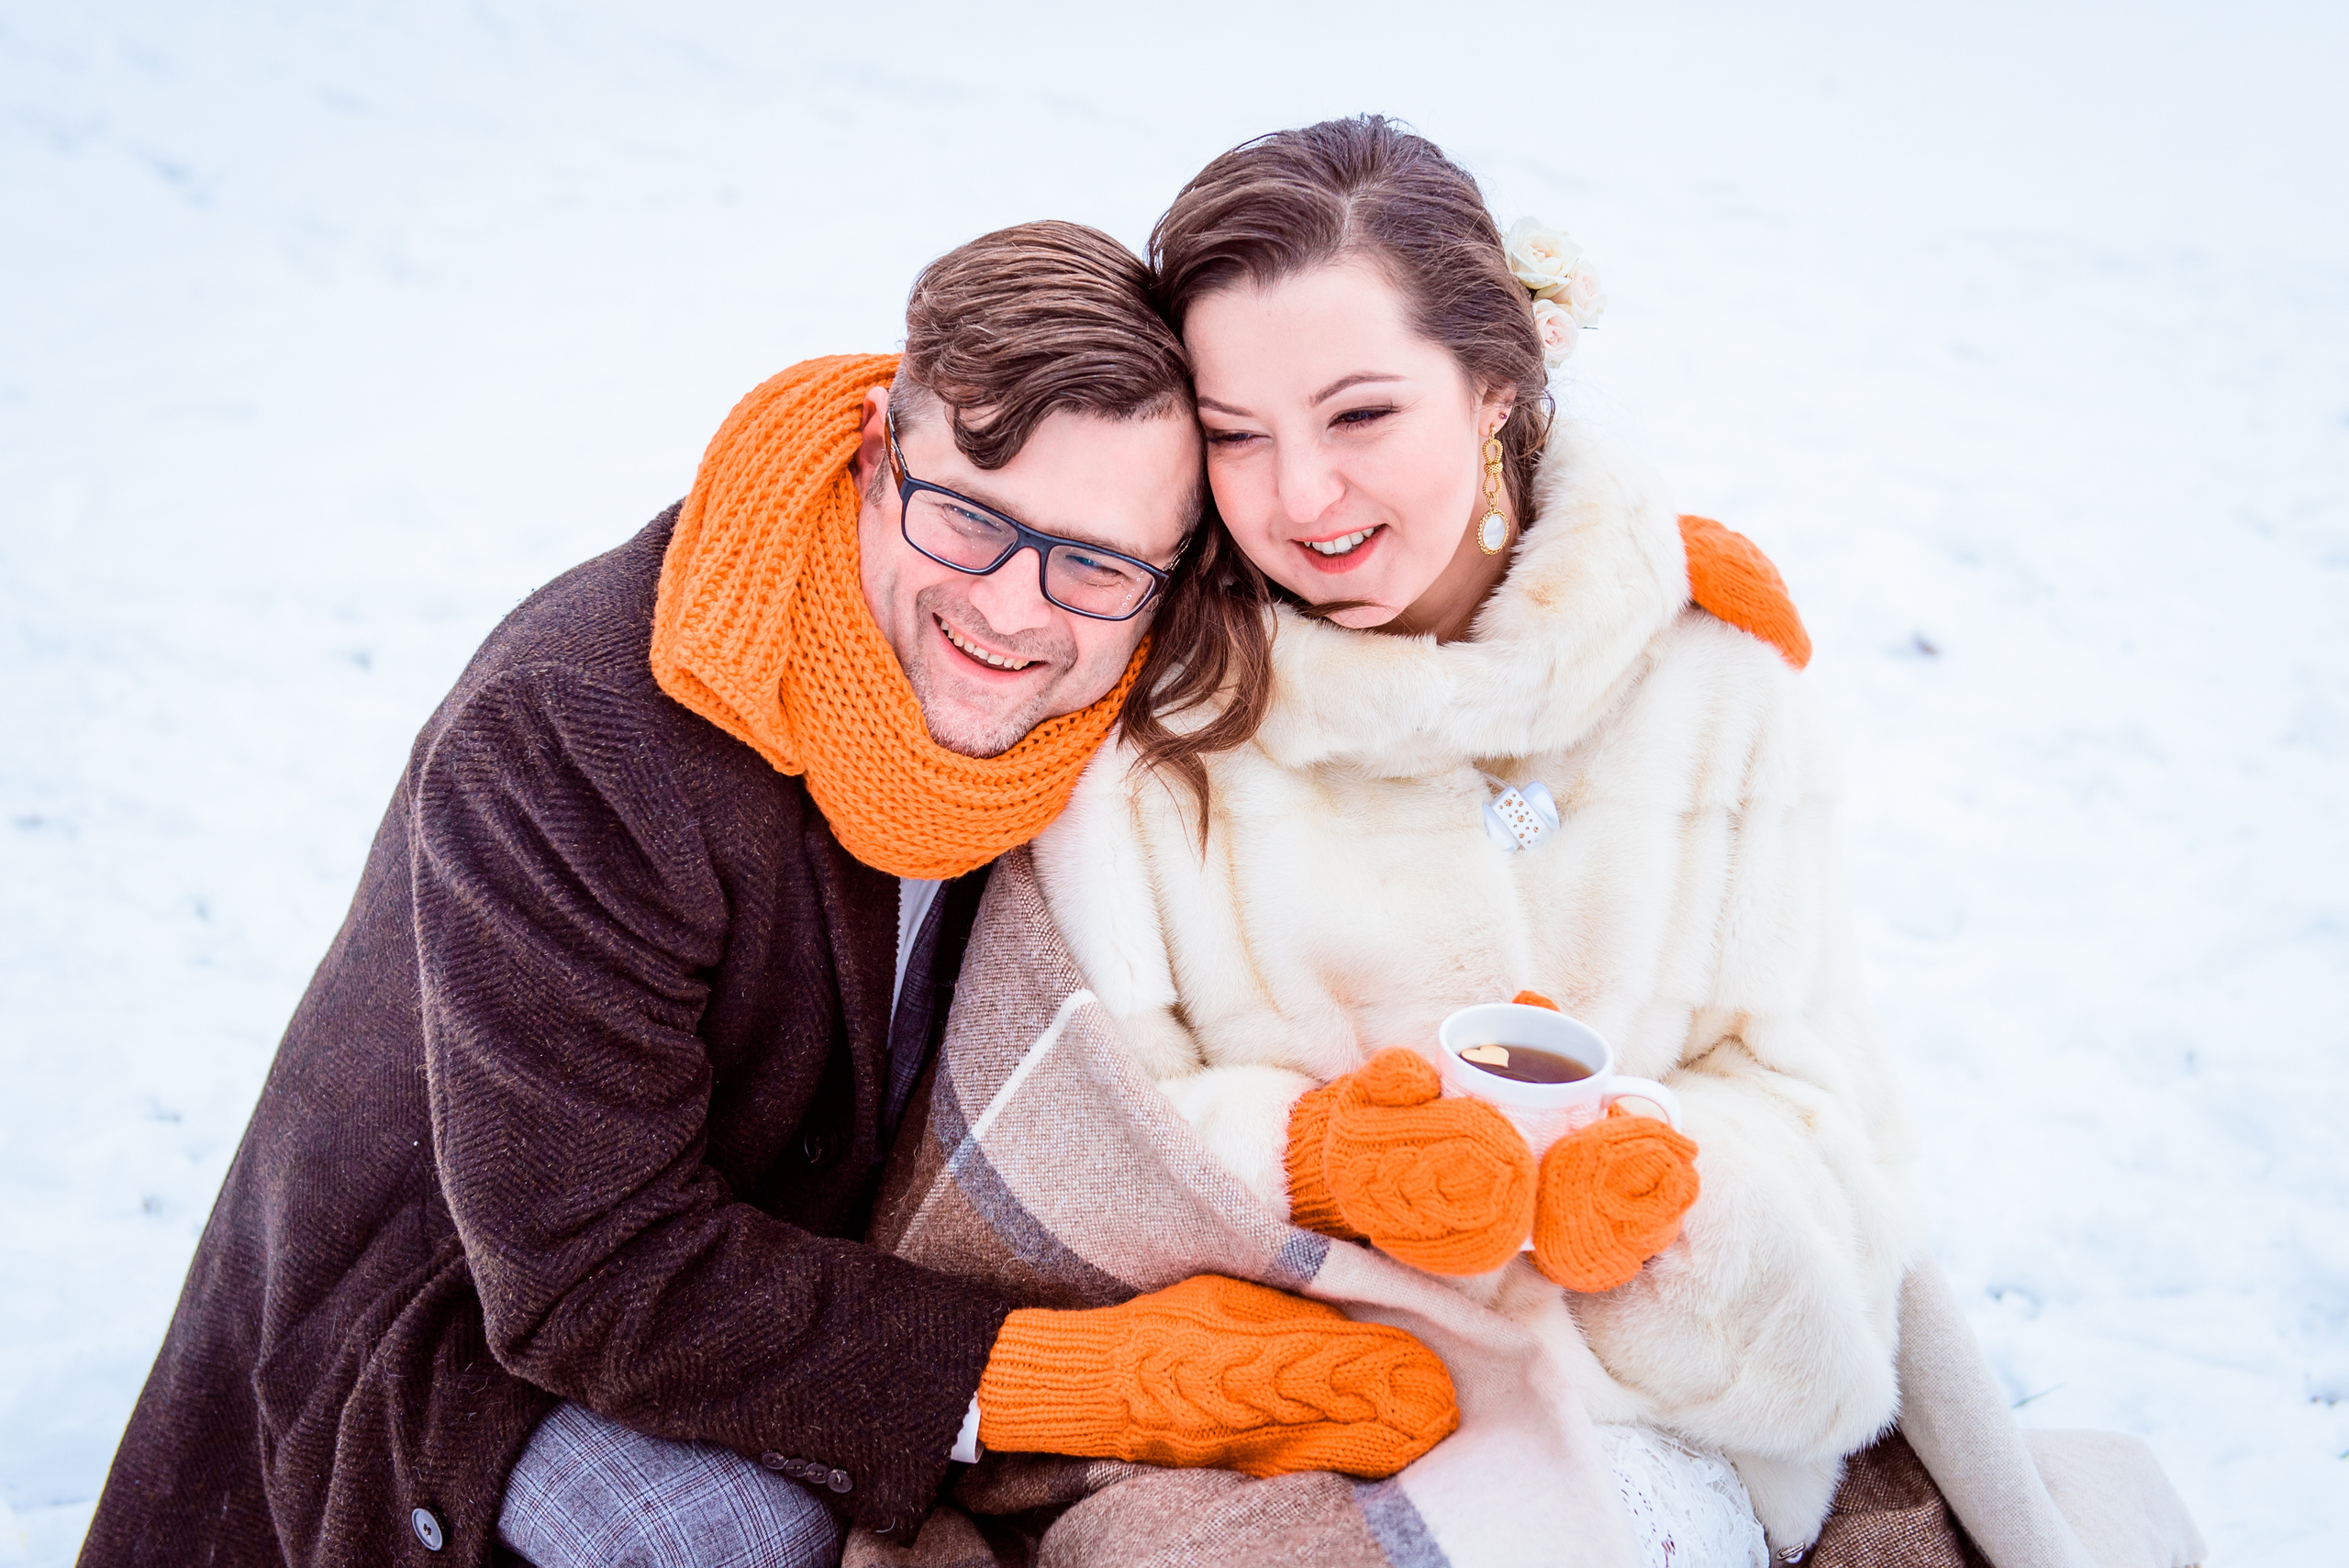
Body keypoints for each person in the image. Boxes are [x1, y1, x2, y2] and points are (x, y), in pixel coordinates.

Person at [75, 221, 1458, 1568]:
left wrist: (1638, 592)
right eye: (972, 518)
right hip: (468, 1338)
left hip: (816, 1265)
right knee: (726, 1535)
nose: (1017, 610)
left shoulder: (1110, 644)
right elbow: (593, 1275)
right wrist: (1091, 1377)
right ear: (875, 452)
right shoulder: (575, 734)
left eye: (1094, 562)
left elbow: (1367, 570)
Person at [1023, 119, 1919, 1564]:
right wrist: (1315, 1157)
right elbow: (1096, 1122)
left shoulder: (1716, 682)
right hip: (1285, 1414)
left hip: (1648, 1413)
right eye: (1236, 435)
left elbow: (1822, 1098)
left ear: (1497, 384)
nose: (1300, 498)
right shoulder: (1151, 723)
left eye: (1361, 415)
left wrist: (1667, 1198)